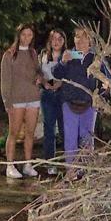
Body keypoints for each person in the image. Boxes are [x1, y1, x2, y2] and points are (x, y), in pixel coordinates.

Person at [53, 27, 108, 169]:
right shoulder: (69, 55)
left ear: (90, 40)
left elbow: (106, 80)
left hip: (89, 103)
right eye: (77, 37)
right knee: (70, 138)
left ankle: (86, 171)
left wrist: (100, 94)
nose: (80, 40)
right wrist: (62, 62)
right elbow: (57, 74)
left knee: (87, 138)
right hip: (69, 102)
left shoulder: (97, 57)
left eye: (84, 37)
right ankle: (71, 170)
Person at [0, 23, 42, 179]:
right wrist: (7, 103)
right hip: (16, 100)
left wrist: (40, 78)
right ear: (18, 36)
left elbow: (39, 73)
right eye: (24, 35)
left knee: (30, 133)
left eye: (29, 35)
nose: (26, 38)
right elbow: (5, 82)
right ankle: (10, 166)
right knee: (14, 133)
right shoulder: (9, 55)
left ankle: (27, 164)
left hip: (33, 98)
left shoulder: (33, 53)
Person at [38, 29, 66, 174]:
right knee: (49, 130)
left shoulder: (69, 54)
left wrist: (62, 83)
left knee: (65, 129)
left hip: (63, 94)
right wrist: (44, 82)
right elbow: (39, 73)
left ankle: (70, 162)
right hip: (47, 94)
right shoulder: (43, 55)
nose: (56, 42)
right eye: (54, 39)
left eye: (60, 39)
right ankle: (50, 163)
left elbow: (85, 56)